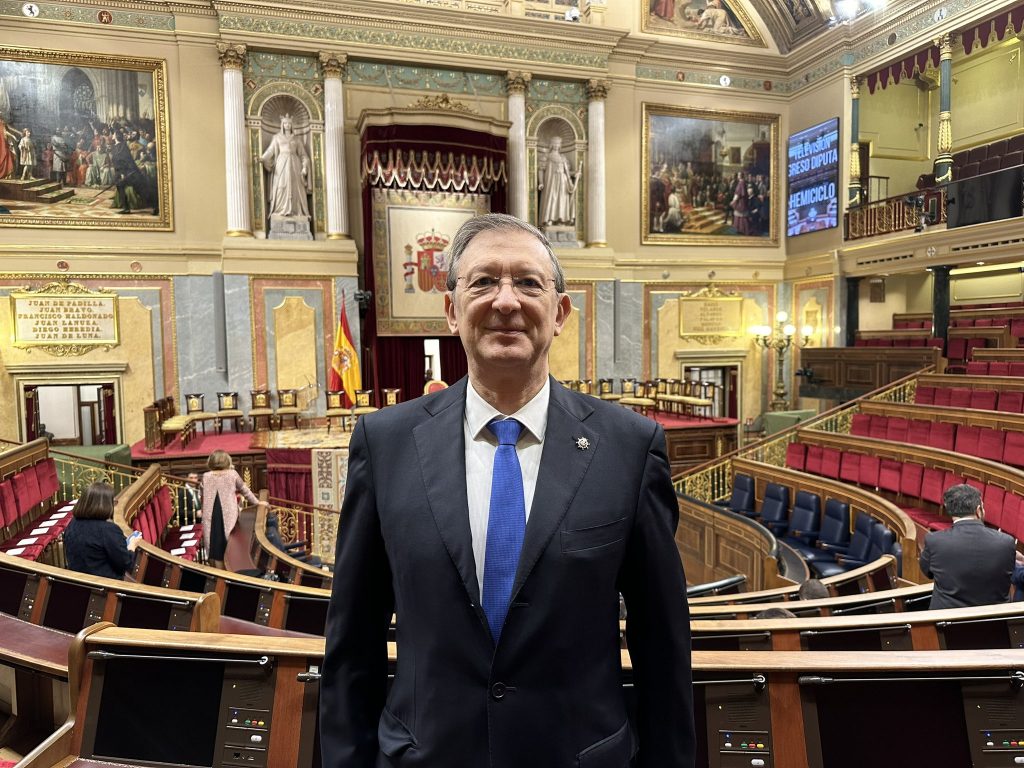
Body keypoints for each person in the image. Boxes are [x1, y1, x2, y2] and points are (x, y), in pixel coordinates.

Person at [321, 213, 694, 768]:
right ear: (451, 310)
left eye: (527, 282)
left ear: (560, 312)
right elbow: (353, 642)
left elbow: (662, 645)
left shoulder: (630, 448)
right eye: (482, 282)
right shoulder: (385, 444)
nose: (505, 301)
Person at [919, 483, 1016, 610]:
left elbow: (927, 572)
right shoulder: (1006, 542)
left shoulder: (934, 541)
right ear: (978, 510)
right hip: (995, 619)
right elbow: (1009, 574)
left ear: (950, 511)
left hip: (947, 619)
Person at [64, 481, 141, 580]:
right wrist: (132, 546)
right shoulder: (108, 530)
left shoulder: (72, 523)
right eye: (113, 502)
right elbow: (126, 564)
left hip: (77, 583)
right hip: (105, 586)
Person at [201, 450, 264, 570]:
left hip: (212, 516)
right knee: (230, 544)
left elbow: (202, 495)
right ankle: (231, 573)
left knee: (217, 548)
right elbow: (245, 491)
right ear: (227, 461)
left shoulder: (206, 476)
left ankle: (220, 576)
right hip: (228, 515)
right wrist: (257, 502)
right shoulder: (232, 474)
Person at [261, 114, 310, 219]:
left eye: (289, 123)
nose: (287, 125)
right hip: (281, 164)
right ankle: (280, 210)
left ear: (292, 125)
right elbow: (270, 150)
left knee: (296, 188)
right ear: (282, 125)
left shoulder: (297, 139)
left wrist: (304, 167)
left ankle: (296, 211)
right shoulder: (276, 137)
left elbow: (303, 155)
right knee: (280, 187)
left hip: (295, 164)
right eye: (285, 123)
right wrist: (263, 158)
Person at [537, 136, 579, 227]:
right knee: (552, 198)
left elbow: (567, 172)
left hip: (563, 181)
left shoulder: (563, 158)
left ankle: (561, 219)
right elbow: (541, 170)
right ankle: (549, 219)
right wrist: (541, 182)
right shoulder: (546, 157)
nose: (556, 145)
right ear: (551, 144)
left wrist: (575, 173)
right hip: (551, 181)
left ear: (560, 145)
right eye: (555, 143)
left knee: (562, 199)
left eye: (558, 143)